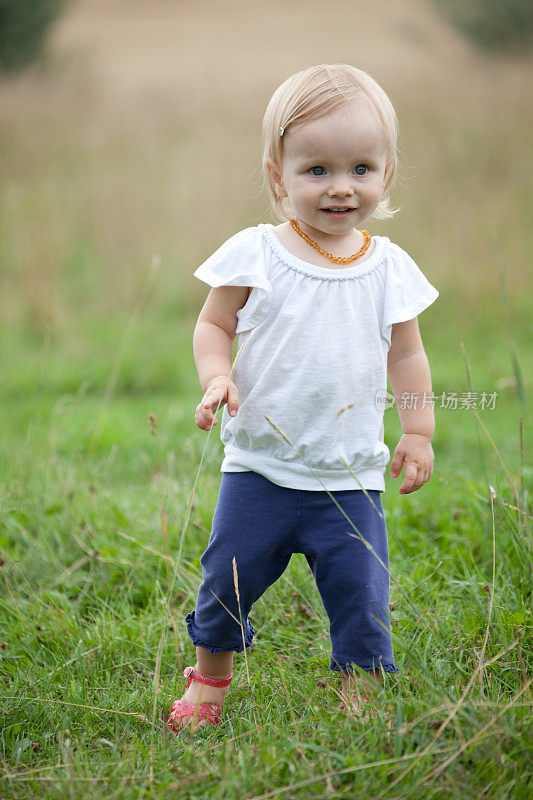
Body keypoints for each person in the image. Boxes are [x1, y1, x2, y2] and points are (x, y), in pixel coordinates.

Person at [168, 63, 439, 733]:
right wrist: (217, 374)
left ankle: (358, 693)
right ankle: (210, 679)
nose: (340, 187)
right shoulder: (255, 253)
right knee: (224, 583)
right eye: (315, 170)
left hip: (349, 474)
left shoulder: (388, 267)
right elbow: (214, 324)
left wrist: (418, 430)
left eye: (360, 169)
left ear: (386, 172)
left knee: (360, 595)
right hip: (259, 468)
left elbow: (405, 353)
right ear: (276, 176)